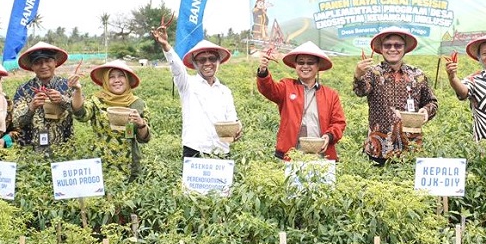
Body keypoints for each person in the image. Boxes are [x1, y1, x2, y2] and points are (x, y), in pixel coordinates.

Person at [352, 27, 439, 163]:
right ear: (381, 49)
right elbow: (361, 91)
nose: (393, 49)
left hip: (410, 147)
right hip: (378, 149)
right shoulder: (373, 73)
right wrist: (358, 75)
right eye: (388, 45)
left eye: (398, 45)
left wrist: (425, 112)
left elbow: (432, 102)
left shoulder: (417, 75)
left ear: (404, 48)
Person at [152, 27, 241, 157]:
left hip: (221, 151)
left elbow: (232, 118)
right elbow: (177, 69)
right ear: (194, 64)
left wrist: (237, 127)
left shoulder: (225, 91)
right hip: (194, 150)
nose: (207, 63)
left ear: (218, 62)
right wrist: (166, 46)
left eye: (212, 59)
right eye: (202, 60)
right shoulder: (188, 84)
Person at [256, 41, 347, 161]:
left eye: (310, 63)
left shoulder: (330, 95)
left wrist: (329, 136)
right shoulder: (286, 86)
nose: (305, 66)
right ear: (295, 65)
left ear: (318, 67)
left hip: (321, 154)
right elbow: (269, 90)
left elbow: (339, 123)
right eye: (301, 62)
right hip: (292, 154)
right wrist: (263, 71)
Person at [69, 59, 151, 179]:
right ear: (106, 80)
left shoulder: (137, 104)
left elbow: (144, 139)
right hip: (101, 163)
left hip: (130, 165)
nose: (117, 80)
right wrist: (77, 90)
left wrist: (141, 123)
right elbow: (81, 114)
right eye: (111, 77)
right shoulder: (96, 100)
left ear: (127, 79)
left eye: (121, 76)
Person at [11, 41, 74, 152]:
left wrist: (63, 100)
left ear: (55, 62)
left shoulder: (69, 86)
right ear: (32, 66)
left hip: (64, 149)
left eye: (48, 61)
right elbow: (16, 122)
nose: (44, 66)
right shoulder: (23, 90)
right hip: (31, 151)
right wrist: (31, 107)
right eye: (38, 62)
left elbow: (81, 113)